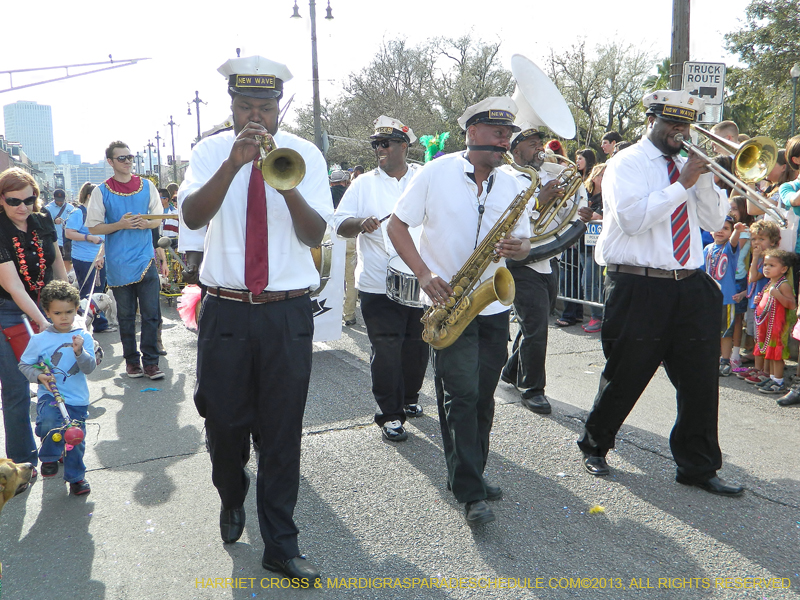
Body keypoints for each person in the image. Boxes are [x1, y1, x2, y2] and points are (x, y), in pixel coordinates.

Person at [181, 55, 331, 581]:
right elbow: (193, 217)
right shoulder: (208, 152)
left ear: (278, 110)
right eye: (245, 105)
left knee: (283, 429)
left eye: (265, 107)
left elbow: (315, 236)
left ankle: (281, 542)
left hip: (286, 312)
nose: (256, 116)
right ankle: (231, 493)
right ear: (231, 105)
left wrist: (283, 181)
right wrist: (234, 164)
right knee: (223, 422)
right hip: (225, 308)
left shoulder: (304, 154)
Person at [577, 90, 744, 497]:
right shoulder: (626, 163)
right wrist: (681, 183)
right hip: (638, 283)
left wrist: (701, 181)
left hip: (690, 283)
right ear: (651, 121)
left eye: (685, 125)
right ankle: (595, 443)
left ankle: (698, 466)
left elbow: (710, 219)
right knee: (626, 373)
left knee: (700, 381)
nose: (679, 132)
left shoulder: (688, 166)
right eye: (671, 123)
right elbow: (633, 219)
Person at [388, 97, 531, 525]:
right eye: (495, 132)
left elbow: (524, 245)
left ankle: (470, 474)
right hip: (449, 302)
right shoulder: (436, 172)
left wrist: (518, 247)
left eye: (508, 133)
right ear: (471, 134)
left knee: (482, 396)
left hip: (491, 304)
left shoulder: (514, 183)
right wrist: (425, 273)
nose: (504, 139)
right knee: (462, 395)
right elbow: (397, 226)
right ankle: (470, 492)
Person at [334, 116, 425, 442]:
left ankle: (410, 397)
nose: (379, 149)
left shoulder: (422, 178)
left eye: (385, 144)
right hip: (377, 283)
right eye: (375, 144)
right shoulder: (363, 184)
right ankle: (390, 414)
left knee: (416, 348)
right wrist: (359, 223)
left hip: (420, 281)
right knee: (386, 350)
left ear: (404, 145)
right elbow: (339, 224)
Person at [0, 168, 68, 484]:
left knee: (54, 381)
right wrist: (44, 322)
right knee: (16, 390)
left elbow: (56, 264)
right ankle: (21, 466)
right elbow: (14, 286)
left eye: (30, 199)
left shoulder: (42, 222)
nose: (23, 207)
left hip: (43, 306)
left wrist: (67, 307)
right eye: (14, 200)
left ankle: (56, 448)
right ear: (2, 200)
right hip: (7, 313)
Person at [500, 121, 572, 415]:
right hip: (521, 261)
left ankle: (511, 370)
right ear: (516, 149)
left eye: (540, 143)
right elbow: (510, 215)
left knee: (539, 320)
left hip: (547, 259)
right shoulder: (507, 177)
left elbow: (561, 214)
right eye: (532, 144)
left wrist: (570, 205)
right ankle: (533, 389)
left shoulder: (545, 175)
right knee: (536, 326)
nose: (539, 148)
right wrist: (539, 201)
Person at [87, 141, 164, 380]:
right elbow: (94, 226)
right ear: (110, 162)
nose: (127, 161)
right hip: (119, 263)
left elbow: (158, 217)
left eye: (129, 157)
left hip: (145, 259)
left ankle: (151, 362)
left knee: (152, 314)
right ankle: (132, 361)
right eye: (121, 158)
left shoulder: (147, 186)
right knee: (126, 316)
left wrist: (147, 223)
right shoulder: (102, 191)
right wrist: (119, 224)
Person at [19, 280, 95, 495]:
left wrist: (81, 352)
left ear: (76, 310)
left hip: (77, 398)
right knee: (50, 423)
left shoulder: (83, 337)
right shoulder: (40, 340)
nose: (64, 317)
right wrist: (39, 375)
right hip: (50, 395)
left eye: (69, 312)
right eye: (58, 312)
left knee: (75, 440)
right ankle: (50, 456)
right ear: (47, 312)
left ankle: (76, 478)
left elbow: (89, 369)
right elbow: (24, 364)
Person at [65, 182, 112, 333]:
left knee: (98, 290)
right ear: (90, 196)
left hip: (99, 258)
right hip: (84, 259)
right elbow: (69, 233)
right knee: (88, 291)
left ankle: (96, 323)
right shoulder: (78, 213)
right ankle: (90, 324)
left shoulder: (99, 213)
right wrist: (89, 237)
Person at [739, 220, 781, 385]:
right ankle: (758, 368)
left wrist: (756, 257)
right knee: (757, 338)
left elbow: (754, 277)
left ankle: (764, 371)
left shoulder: (770, 259)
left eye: (761, 239)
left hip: (765, 304)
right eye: (754, 239)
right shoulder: (758, 257)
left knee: (763, 338)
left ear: (772, 241)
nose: (756, 243)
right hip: (754, 301)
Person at [701, 216, 743, 376]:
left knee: (725, 332)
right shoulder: (707, 249)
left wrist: (737, 231)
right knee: (709, 330)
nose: (720, 230)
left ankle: (725, 361)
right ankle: (711, 359)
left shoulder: (729, 248)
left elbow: (733, 242)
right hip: (708, 298)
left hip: (726, 298)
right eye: (718, 227)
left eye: (726, 228)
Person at [752, 249, 795, 395]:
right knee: (769, 354)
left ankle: (779, 381)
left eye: (771, 265)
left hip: (778, 327)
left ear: (783, 269)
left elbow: (792, 304)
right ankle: (771, 377)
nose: (766, 268)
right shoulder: (769, 283)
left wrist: (777, 295)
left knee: (776, 355)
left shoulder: (783, 285)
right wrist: (758, 301)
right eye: (765, 264)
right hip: (767, 326)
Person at [330, 170, 357, 326]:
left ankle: (332, 313)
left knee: (334, 279)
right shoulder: (350, 194)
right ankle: (349, 314)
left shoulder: (326, 194)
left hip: (332, 239)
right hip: (350, 238)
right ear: (344, 181)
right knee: (351, 279)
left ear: (332, 182)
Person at [44, 188, 75, 273]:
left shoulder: (71, 208)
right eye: (58, 200)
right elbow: (44, 225)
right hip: (55, 240)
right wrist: (54, 221)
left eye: (61, 200)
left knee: (67, 260)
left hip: (68, 240)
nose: (60, 202)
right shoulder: (48, 209)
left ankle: (67, 278)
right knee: (56, 261)